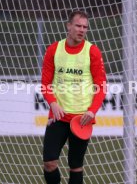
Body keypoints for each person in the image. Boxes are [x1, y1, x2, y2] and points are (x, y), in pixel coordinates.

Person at [41, 11, 107, 184]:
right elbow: (45, 83)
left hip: (81, 119)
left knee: (76, 166)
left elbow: (101, 86)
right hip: (58, 116)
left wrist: (92, 112)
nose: (82, 30)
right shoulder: (54, 49)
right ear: (68, 26)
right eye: (78, 26)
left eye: (85, 27)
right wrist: (53, 103)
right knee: (49, 162)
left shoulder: (92, 51)